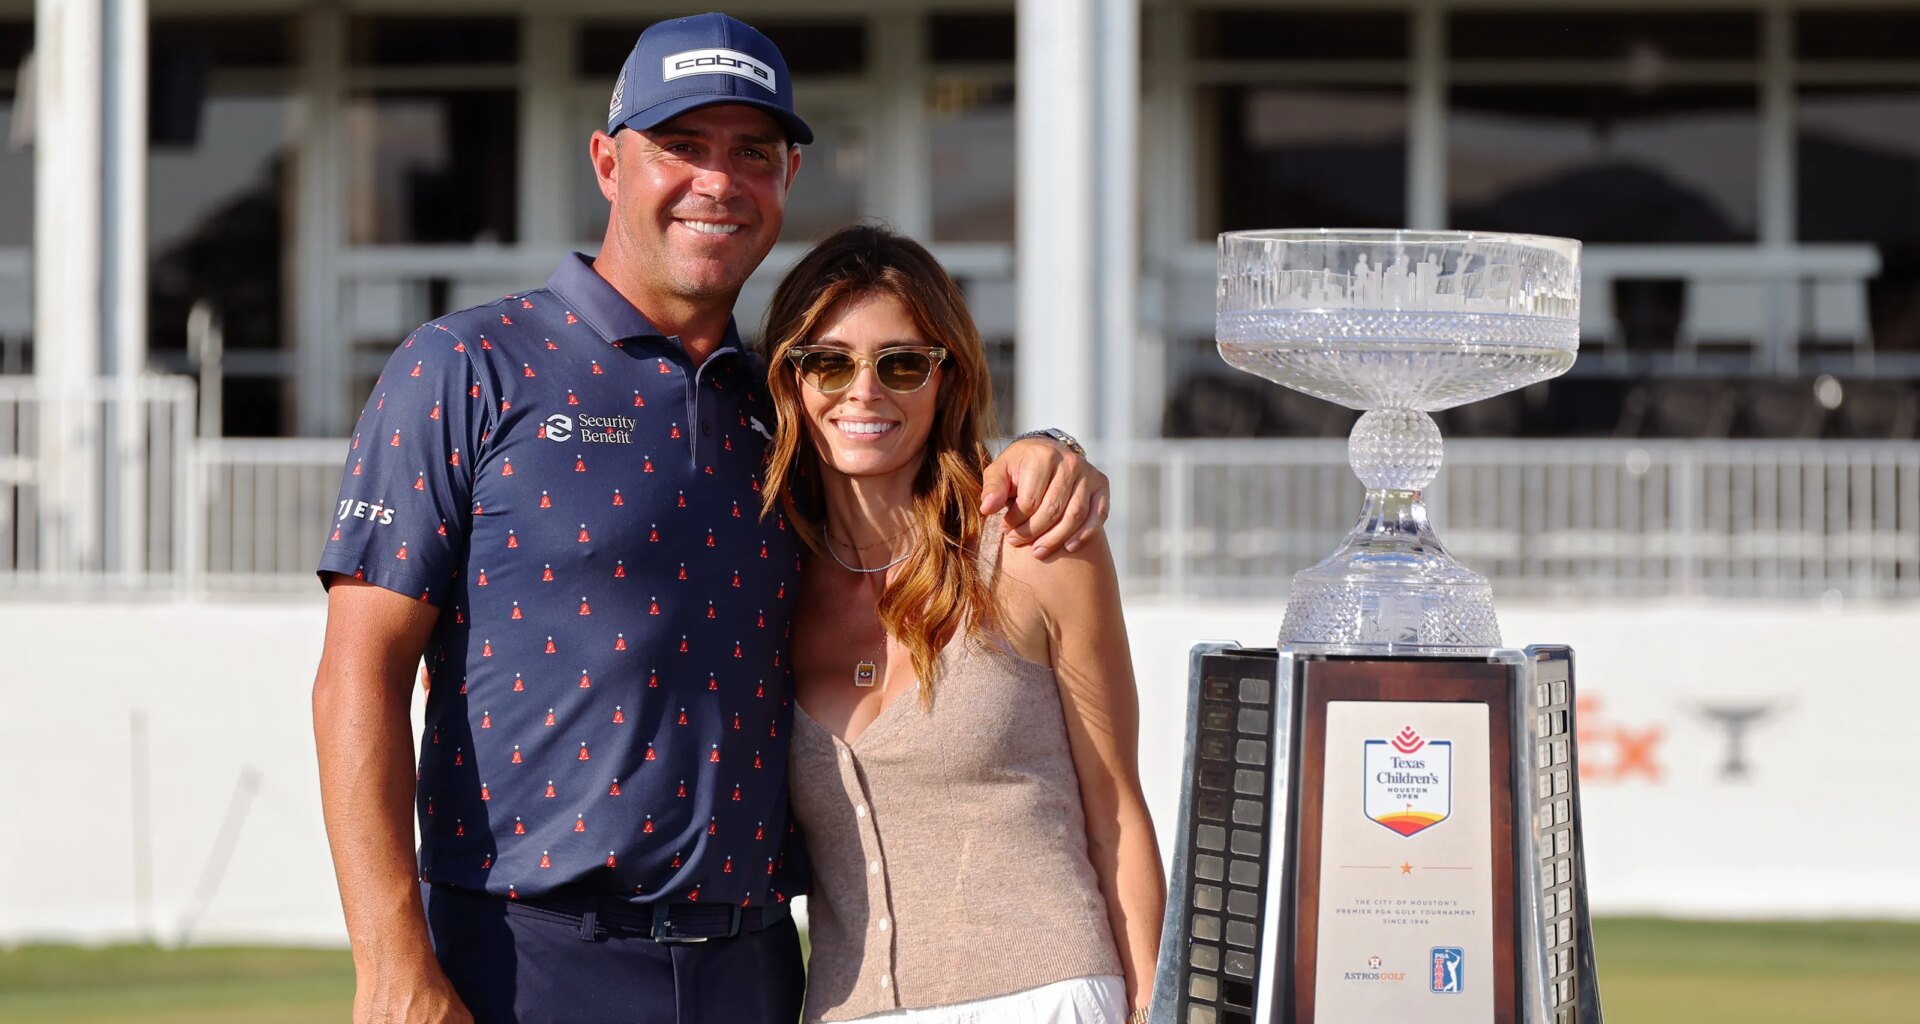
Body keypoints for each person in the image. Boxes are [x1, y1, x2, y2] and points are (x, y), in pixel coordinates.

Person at [310, 14, 1110, 1024]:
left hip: (755, 968)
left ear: (788, 175)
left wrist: (1048, 449)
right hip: (523, 959)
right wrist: (391, 961)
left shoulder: (781, 408)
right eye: (680, 147)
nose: (718, 181)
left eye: (751, 153)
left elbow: (913, 451)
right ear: (608, 162)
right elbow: (356, 673)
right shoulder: (467, 368)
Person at [764, 225, 1164, 1024]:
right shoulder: (768, 576)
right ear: (791, 379)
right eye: (830, 362)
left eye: (903, 363)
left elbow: (1116, 809)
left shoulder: (1035, 548)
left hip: (1047, 999)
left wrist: (1154, 1008)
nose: (865, 392)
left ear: (947, 378)